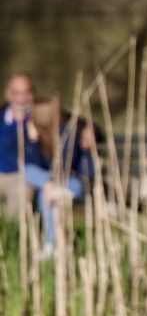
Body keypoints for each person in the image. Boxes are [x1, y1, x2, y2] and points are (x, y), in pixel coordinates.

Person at [23, 98, 97, 259]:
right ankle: (52, 245)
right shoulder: (40, 135)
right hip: (54, 183)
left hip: (75, 181)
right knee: (28, 171)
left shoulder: (69, 132)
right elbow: (32, 164)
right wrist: (33, 141)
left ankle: (51, 244)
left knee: (46, 195)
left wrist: (50, 183)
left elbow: (64, 166)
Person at [1, 73, 39, 219]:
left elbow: (77, 124)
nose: (23, 98)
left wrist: (89, 130)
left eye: (27, 92)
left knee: (21, 191)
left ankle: (12, 236)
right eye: (18, 93)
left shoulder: (40, 115)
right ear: (9, 94)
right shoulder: (2, 114)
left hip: (21, 175)